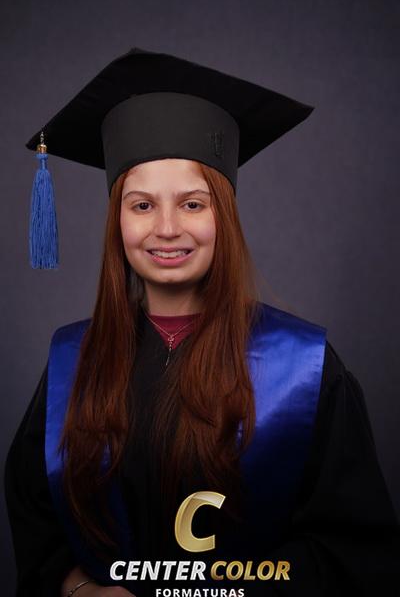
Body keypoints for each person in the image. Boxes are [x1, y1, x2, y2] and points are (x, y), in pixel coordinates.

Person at [4, 47, 400, 597]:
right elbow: (35, 522)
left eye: (193, 204)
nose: (167, 228)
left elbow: (351, 552)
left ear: (224, 216)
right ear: (117, 221)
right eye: (142, 205)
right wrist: (79, 587)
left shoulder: (302, 369)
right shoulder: (71, 363)